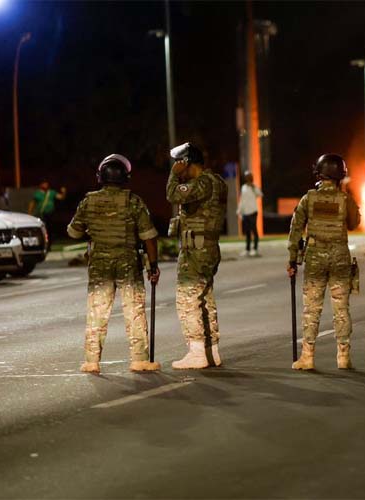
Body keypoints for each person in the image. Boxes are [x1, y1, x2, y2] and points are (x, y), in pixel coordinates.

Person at [66, 154, 161, 374]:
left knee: (97, 312)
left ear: (100, 177)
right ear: (125, 178)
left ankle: (91, 361)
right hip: (128, 263)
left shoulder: (88, 201)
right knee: (134, 311)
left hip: (99, 264)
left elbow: (73, 232)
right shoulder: (133, 201)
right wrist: (152, 266)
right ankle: (139, 360)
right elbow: (149, 236)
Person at [288, 154, 361, 370]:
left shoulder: (308, 198)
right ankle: (343, 357)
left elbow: (295, 231)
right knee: (341, 308)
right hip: (340, 257)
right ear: (340, 176)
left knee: (312, 308)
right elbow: (354, 223)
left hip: (315, 257)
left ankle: (308, 357)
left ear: (319, 174)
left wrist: (293, 259)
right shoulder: (345, 199)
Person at [166, 143, 228, 369]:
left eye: (178, 163)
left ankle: (197, 351)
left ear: (187, 162)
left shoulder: (202, 183)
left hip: (196, 250)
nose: (176, 167)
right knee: (205, 300)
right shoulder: (217, 182)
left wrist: (173, 177)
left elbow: (172, 195)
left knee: (187, 299)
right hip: (208, 247)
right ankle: (211, 351)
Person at [28, 180, 66, 249]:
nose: (45, 185)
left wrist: (64, 192)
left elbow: (61, 197)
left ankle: (49, 245)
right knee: (43, 230)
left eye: (46, 183)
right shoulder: (37, 193)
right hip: (41, 215)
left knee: (50, 230)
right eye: (43, 183)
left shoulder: (51, 192)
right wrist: (30, 213)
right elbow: (32, 204)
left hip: (50, 215)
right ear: (41, 185)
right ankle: (43, 244)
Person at [237, 170, 263, 257]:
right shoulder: (243, 187)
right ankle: (247, 249)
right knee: (247, 232)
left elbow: (260, 194)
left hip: (253, 212)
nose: (247, 178)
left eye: (248, 177)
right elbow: (242, 200)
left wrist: (253, 186)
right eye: (246, 177)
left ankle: (255, 249)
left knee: (254, 230)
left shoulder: (254, 187)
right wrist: (239, 210)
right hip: (245, 212)